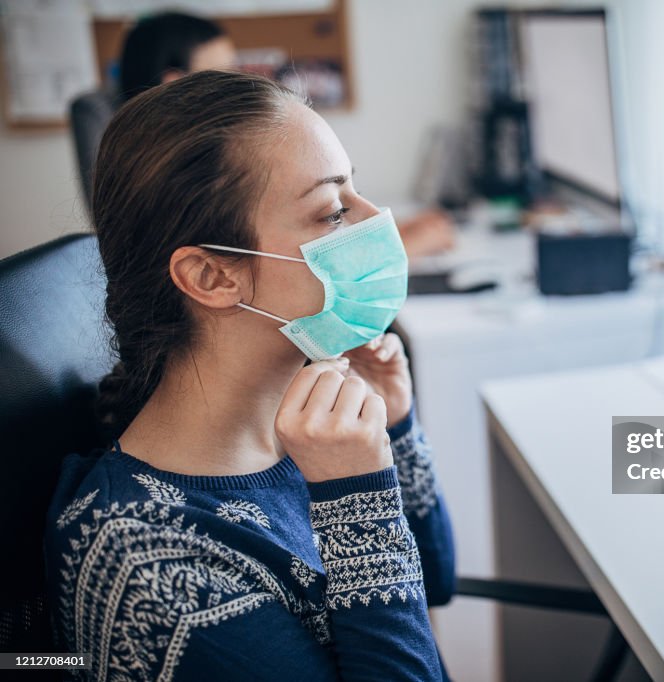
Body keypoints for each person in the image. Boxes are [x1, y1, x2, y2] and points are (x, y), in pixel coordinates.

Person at [46, 70, 455, 681]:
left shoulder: (307, 436)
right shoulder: (151, 567)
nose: (379, 221)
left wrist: (395, 429)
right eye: (334, 211)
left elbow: (434, 578)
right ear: (212, 277)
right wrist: (358, 498)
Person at [83, 11, 456, 260]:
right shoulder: (186, 178)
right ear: (178, 86)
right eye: (223, 72)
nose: (237, 82)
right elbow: (288, 270)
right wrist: (401, 248)